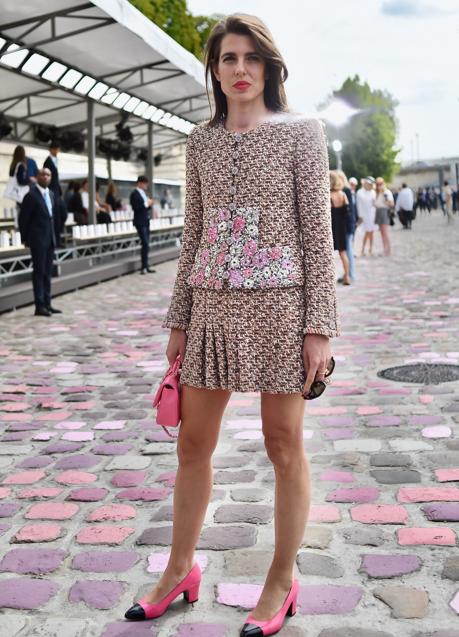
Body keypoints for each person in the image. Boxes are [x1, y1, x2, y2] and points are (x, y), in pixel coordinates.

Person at [123, 14, 339, 636]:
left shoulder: (303, 132)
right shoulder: (201, 141)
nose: (240, 70)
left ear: (269, 65)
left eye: (250, 58)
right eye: (227, 59)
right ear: (214, 70)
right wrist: (179, 320)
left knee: (282, 445)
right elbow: (193, 235)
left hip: (281, 309)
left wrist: (318, 326)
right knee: (192, 444)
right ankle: (178, 570)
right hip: (213, 308)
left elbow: (315, 233)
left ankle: (280, 580)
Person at [18, 168, 62, 317]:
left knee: (48, 272)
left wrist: (56, 237)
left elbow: (53, 218)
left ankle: (48, 303)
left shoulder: (51, 194)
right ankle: (39, 305)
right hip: (37, 240)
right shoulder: (31, 196)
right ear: (37, 177)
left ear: (51, 178)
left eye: (48, 175)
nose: (45, 177)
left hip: (50, 239)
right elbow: (23, 219)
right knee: (39, 272)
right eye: (43, 174)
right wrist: (25, 239)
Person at [130, 176, 156, 274]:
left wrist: (149, 204)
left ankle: (146, 266)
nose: (146, 185)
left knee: (146, 244)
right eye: (145, 183)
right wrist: (146, 204)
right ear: (140, 183)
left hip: (146, 220)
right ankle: (143, 267)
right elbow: (136, 207)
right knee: (145, 243)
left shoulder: (143, 193)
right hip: (139, 221)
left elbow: (145, 208)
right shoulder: (134, 194)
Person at [44, 141, 67, 247]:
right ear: (52, 149)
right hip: (52, 192)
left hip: (56, 192)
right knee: (56, 216)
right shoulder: (48, 162)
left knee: (62, 214)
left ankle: (57, 239)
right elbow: (48, 179)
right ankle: (55, 241)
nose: (58, 151)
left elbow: (56, 180)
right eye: (56, 149)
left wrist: (60, 192)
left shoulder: (55, 161)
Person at [330, 170, 351, 285]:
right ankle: (347, 277)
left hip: (332, 227)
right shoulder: (343, 194)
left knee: (330, 254)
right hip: (341, 227)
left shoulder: (329, 195)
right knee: (343, 253)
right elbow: (347, 212)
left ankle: (331, 277)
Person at [340, 172, 359, 283]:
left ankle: (351, 274)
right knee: (348, 250)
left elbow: (348, 210)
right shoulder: (347, 190)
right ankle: (348, 273)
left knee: (349, 250)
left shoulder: (346, 190)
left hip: (347, 225)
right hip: (349, 224)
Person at [374, 177, 394, 256]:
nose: (379, 186)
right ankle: (385, 249)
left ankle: (387, 250)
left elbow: (391, 204)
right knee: (382, 233)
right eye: (377, 184)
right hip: (379, 212)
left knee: (385, 233)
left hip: (384, 212)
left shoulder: (387, 192)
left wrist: (386, 201)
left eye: (380, 184)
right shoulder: (377, 193)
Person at [357, 176, 376, 255]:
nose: (369, 185)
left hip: (372, 215)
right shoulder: (360, 192)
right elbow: (359, 206)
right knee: (367, 232)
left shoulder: (373, 192)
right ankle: (363, 249)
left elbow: (374, 204)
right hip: (364, 216)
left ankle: (370, 250)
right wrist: (360, 216)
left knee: (371, 232)